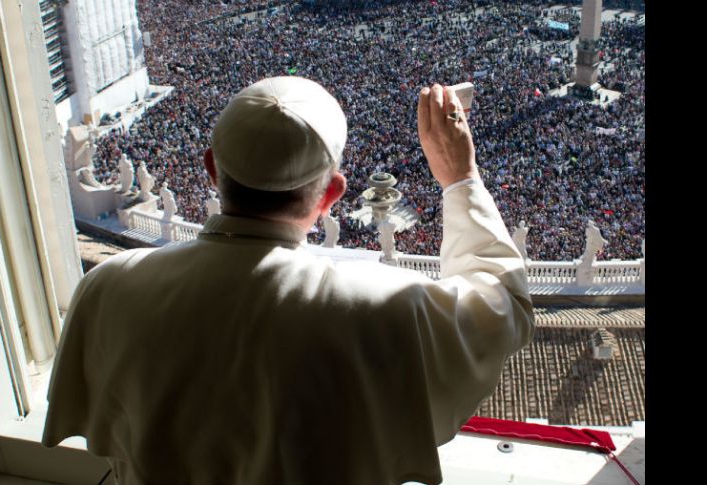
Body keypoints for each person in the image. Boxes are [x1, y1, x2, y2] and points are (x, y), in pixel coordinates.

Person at [43, 76, 534, 485]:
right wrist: (460, 177)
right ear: (331, 197)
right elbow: (503, 303)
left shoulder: (105, 288)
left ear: (213, 170)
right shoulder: (385, 306)